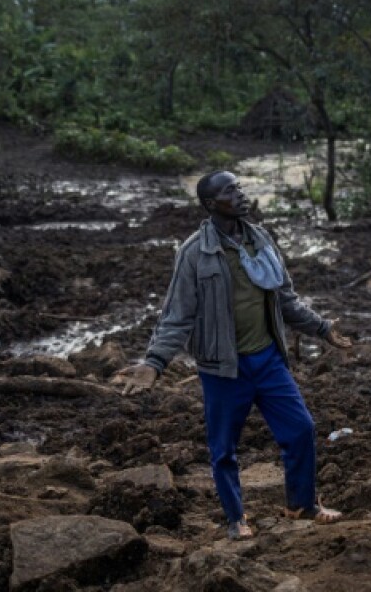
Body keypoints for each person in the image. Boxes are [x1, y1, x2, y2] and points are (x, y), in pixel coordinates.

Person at [116, 170, 352, 540]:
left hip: (268, 359)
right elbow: (177, 316)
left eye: (240, 187)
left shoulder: (261, 239)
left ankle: (301, 505)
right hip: (224, 368)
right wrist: (154, 363)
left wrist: (322, 329)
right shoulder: (195, 252)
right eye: (231, 190)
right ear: (212, 204)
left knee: (301, 429)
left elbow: (285, 299)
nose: (241, 194)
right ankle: (235, 518)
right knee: (223, 448)